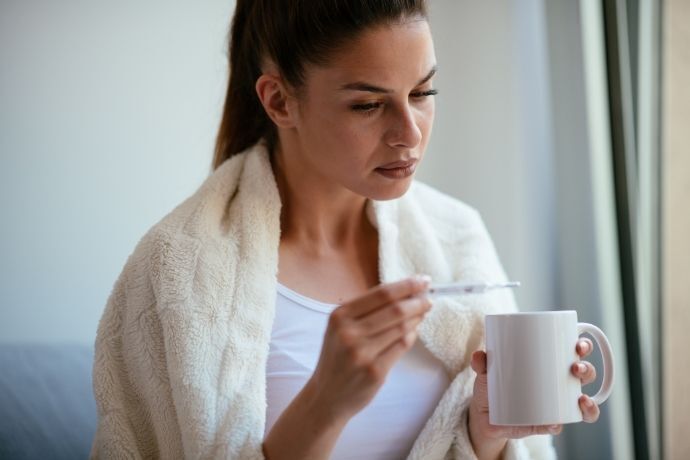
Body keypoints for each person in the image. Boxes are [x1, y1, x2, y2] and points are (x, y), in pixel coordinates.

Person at [90, 1, 602, 459]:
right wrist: (326, 401)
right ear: (279, 102)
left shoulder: (456, 235)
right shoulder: (178, 270)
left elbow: (520, 450)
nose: (410, 134)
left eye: (423, 91)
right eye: (368, 104)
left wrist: (484, 434)